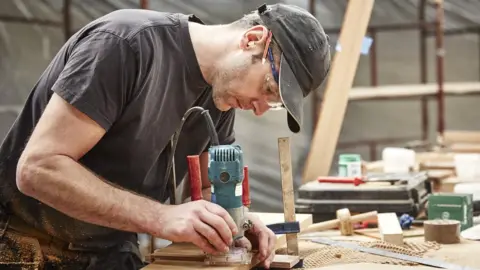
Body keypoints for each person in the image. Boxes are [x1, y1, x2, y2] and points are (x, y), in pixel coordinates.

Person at [0, 3, 331, 270]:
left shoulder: (221, 97)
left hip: (110, 252)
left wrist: (237, 220)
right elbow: (37, 170)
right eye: (268, 89)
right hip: (28, 247)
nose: (259, 109)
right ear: (253, 40)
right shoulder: (125, 45)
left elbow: (204, 191)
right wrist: (160, 217)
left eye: (272, 105)